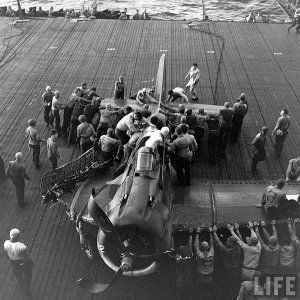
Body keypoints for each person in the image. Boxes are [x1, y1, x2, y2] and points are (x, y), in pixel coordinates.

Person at [212, 224, 243, 299]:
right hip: (236, 270)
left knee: (227, 283)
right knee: (234, 284)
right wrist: (234, 231)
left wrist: (214, 232)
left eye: (227, 240)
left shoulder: (226, 251)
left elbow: (218, 242)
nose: (226, 241)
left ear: (231, 243)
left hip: (227, 270)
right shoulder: (239, 249)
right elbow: (240, 240)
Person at [4, 229, 33, 296]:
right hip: (22, 262)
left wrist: (11, 258)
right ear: (17, 236)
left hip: (13, 262)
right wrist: (30, 262)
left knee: (18, 274)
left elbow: (6, 253)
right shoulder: (21, 246)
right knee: (28, 275)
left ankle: (21, 283)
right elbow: (25, 258)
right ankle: (26, 291)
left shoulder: (6, 243)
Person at [194, 226, 214, 298]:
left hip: (201, 276)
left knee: (200, 291)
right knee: (209, 291)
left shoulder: (200, 255)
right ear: (208, 248)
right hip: (210, 276)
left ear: (201, 248)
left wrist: (197, 233)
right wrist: (211, 232)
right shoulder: (212, 253)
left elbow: (196, 246)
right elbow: (212, 244)